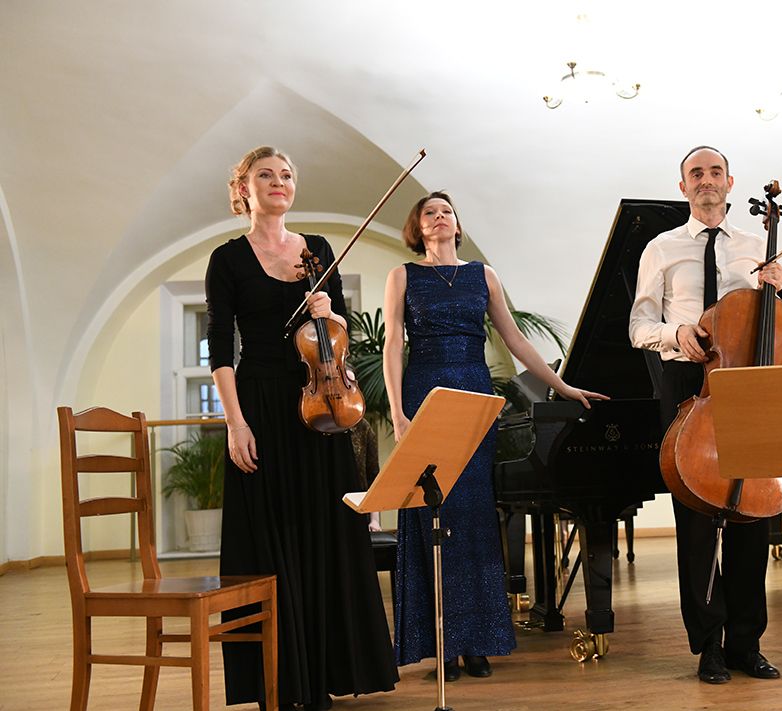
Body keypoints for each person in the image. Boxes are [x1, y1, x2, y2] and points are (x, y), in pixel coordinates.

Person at [382, 191, 606, 681]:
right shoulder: (403, 275)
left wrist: (563, 385)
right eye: (429, 213)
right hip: (424, 394)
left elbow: (514, 338)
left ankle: (477, 640)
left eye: (446, 211)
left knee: (473, 515)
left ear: (457, 225)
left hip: (474, 397)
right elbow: (393, 344)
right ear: (418, 228)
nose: (439, 217)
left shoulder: (483, 275)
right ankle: (441, 642)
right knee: (432, 513)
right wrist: (398, 413)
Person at [206, 146, 398, 710]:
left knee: (326, 530)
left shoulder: (317, 250)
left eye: (286, 175)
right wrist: (235, 422)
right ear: (243, 188)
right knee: (270, 538)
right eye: (265, 175)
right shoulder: (228, 258)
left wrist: (328, 312)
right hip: (261, 405)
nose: (279, 182)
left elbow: (340, 332)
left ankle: (326, 673)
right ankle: (280, 679)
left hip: (320, 407)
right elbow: (220, 347)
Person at [628, 146, 782, 685]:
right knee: (697, 522)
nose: (706, 180)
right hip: (686, 384)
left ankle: (746, 643)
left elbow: (766, 325)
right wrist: (678, 332)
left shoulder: (754, 248)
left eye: (715, 172)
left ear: (729, 182)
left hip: (746, 387)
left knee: (751, 517)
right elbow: (638, 327)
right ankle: (708, 646)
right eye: (696, 173)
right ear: (683, 187)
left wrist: (774, 288)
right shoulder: (661, 248)